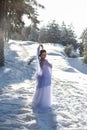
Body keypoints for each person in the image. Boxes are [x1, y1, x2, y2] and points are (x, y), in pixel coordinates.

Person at [32, 44, 52, 109]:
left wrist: (42, 47)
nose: (45, 55)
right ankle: (42, 103)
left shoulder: (43, 60)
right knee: (43, 91)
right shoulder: (42, 61)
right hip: (44, 78)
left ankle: (42, 102)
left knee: (44, 91)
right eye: (43, 54)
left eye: (45, 54)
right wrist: (39, 47)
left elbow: (50, 66)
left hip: (46, 78)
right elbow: (50, 66)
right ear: (40, 55)